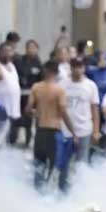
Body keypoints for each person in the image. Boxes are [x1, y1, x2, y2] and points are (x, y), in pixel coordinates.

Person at [28, 61, 76, 191]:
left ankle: (37, 197)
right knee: (55, 167)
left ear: (45, 71)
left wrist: (36, 112)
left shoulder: (36, 87)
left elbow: (27, 109)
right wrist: (74, 132)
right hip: (54, 132)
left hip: (40, 131)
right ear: (56, 73)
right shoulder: (59, 90)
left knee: (39, 166)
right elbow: (63, 112)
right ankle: (51, 200)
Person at [58, 58, 100, 190]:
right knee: (64, 164)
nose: (77, 69)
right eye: (75, 66)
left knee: (82, 164)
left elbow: (95, 108)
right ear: (70, 68)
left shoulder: (91, 85)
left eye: (80, 66)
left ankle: (81, 192)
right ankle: (62, 191)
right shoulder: (62, 84)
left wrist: (96, 130)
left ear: (84, 68)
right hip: (65, 130)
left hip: (84, 129)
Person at [10, 39, 41, 147]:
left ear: (37, 49)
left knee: (28, 121)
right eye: (29, 47)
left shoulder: (39, 64)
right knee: (16, 120)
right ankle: (13, 142)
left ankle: (27, 144)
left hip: (31, 96)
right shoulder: (18, 60)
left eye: (33, 47)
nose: (30, 50)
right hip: (18, 95)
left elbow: (40, 82)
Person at [0, 41, 22, 144]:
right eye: (5, 51)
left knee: (8, 141)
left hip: (11, 109)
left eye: (10, 51)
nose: (8, 53)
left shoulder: (12, 66)